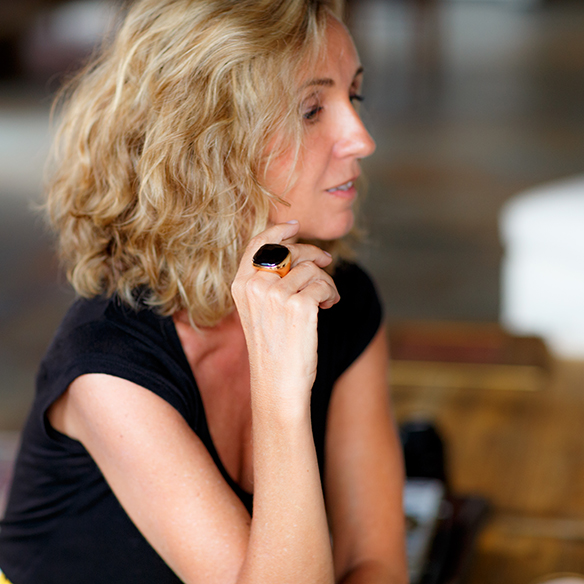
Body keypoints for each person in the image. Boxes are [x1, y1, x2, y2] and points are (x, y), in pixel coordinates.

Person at [0, 0, 407, 582]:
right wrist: (281, 391)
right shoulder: (109, 368)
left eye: (354, 96)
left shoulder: (342, 300)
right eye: (312, 109)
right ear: (209, 141)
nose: (361, 138)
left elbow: (376, 562)